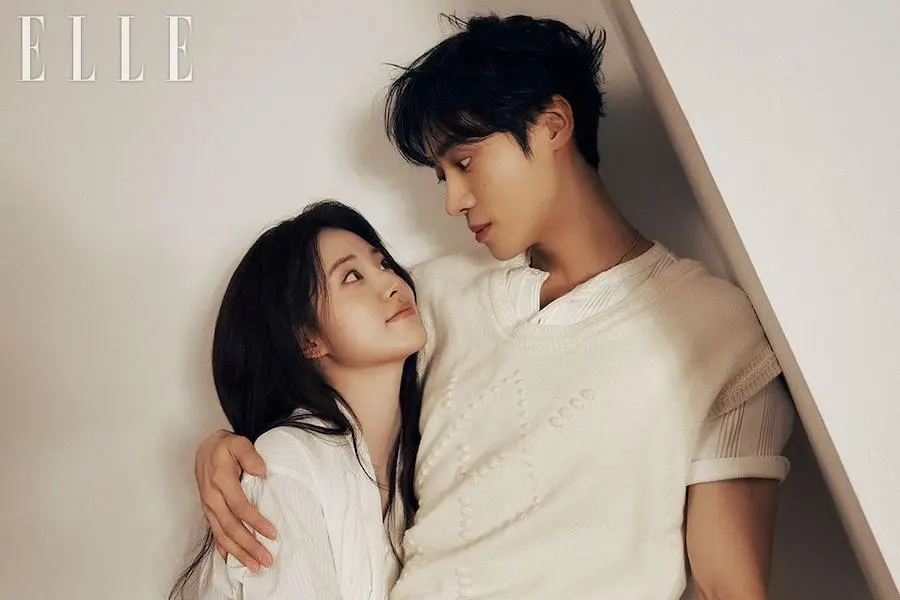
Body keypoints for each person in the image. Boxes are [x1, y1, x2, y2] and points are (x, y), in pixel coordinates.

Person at [192, 14, 795, 600]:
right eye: (442, 176)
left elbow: (728, 587)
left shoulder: (716, 328)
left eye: (464, 162)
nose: (453, 201)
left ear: (553, 125)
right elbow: (324, 405)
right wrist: (227, 449)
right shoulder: (430, 300)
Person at [169, 200, 426, 600]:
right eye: (353, 276)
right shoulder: (285, 462)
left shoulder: (419, 456)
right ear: (308, 339)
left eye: (383, 264)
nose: (391, 282)